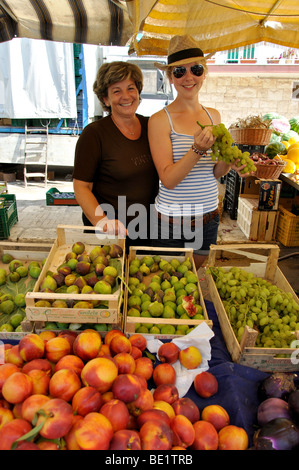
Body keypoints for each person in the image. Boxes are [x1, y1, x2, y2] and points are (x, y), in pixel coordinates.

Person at [148, 35, 251, 269]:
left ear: (204, 72)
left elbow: (215, 172)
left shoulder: (213, 115)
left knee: (193, 281)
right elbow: (169, 179)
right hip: (171, 223)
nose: (189, 77)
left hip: (208, 218)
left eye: (195, 69)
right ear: (170, 77)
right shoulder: (159, 121)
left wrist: (230, 161)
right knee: (169, 287)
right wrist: (196, 149)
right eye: (179, 72)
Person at [73, 61, 159, 249]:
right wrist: (102, 222)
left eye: (131, 88)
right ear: (105, 99)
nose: (126, 96)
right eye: (117, 91)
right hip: (109, 233)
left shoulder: (151, 126)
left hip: (146, 230)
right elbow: (81, 187)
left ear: (138, 92)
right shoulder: (94, 134)